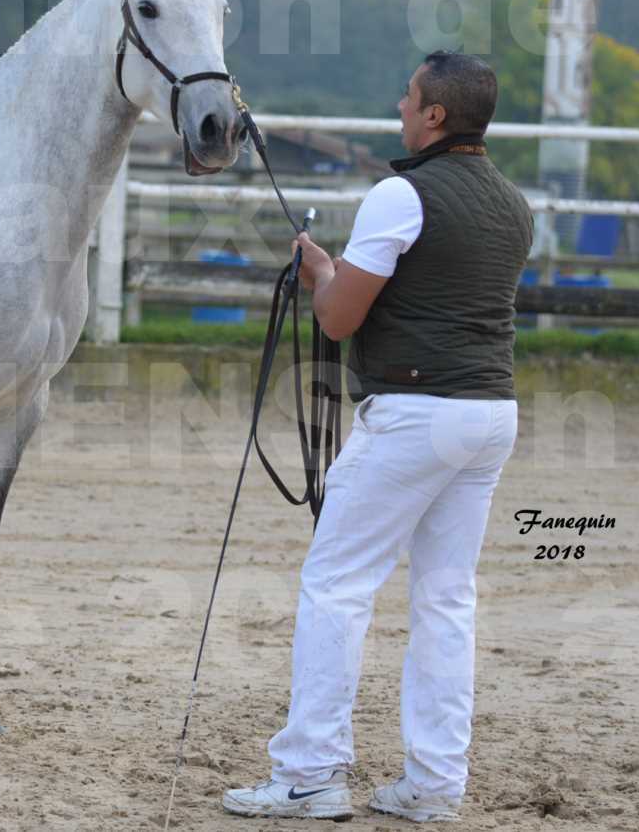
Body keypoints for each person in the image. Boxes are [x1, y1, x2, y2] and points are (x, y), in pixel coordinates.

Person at [221, 52, 534, 823]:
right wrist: (334, 271)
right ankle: (432, 785)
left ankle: (308, 773)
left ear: (433, 116)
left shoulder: (400, 193)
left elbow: (337, 319)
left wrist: (321, 277)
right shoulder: (511, 203)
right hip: (489, 413)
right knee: (444, 598)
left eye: (408, 96)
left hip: (415, 413)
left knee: (335, 583)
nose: (400, 105)